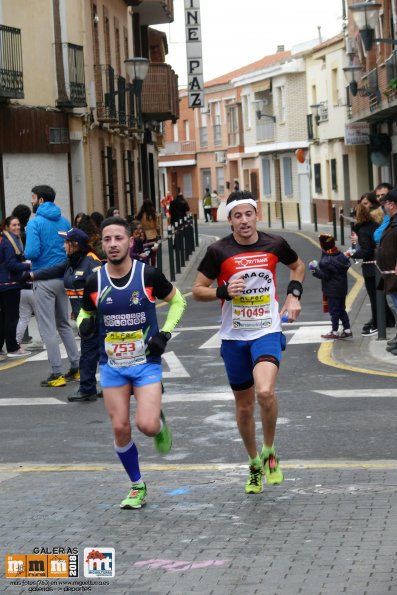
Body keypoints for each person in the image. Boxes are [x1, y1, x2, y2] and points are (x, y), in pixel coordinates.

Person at [192, 191, 305, 495]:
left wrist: (294, 294)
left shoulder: (274, 244)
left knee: (266, 392)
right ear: (229, 220)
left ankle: (269, 452)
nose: (244, 221)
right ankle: (254, 463)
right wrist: (223, 291)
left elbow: (298, 266)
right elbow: (197, 290)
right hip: (233, 338)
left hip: (266, 330)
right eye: (237, 216)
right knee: (244, 408)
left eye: (248, 214)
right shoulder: (218, 251)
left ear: (257, 215)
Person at [77, 216, 187, 508]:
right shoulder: (94, 280)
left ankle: (158, 423)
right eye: (107, 239)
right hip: (111, 365)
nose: (112, 245)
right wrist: (84, 324)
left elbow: (179, 302)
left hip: (146, 362)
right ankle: (137, 485)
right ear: (101, 243)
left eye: (118, 238)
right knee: (120, 427)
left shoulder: (148, 275)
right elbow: (84, 314)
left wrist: (163, 335)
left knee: (147, 426)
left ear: (130, 241)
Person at [27, 228, 103, 402]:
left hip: (97, 318)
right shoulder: (72, 262)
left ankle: (89, 389)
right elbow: (54, 270)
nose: (63, 246)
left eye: (66, 242)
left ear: (74, 245)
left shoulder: (92, 263)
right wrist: (32, 275)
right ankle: (91, 388)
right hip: (84, 318)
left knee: (97, 353)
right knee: (93, 353)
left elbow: (103, 292)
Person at [25, 185, 80, 387]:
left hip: (43, 278)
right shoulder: (64, 221)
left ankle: (56, 373)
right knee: (64, 324)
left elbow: (31, 252)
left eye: (32, 197)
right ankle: (76, 367)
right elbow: (70, 248)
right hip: (62, 277)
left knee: (48, 328)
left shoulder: (34, 223)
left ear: (40, 200)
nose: (31, 201)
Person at [309, 234, 352, 340]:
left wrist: (314, 270)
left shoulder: (326, 261)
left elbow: (325, 276)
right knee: (341, 309)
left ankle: (335, 331)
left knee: (334, 311)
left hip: (332, 290)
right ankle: (347, 330)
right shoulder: (340, 255)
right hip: (342, 288)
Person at [0, 216, 32, 357]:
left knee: (4, 317)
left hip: (4, 283)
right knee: (11, 317)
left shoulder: (8, 240)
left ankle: (2, 348)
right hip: (10, 284)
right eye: (13, 225)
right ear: (7, 227)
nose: (17, 227)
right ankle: (12, 348)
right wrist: (28, 265)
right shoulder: (8, 243)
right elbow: (11, 264)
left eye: (18, 224)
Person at [376, 189, 397, 354]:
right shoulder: (392, 221)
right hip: (390, 275)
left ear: (392, 205)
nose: (385, 207)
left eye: (387, 204)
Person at [136, 199, 161, 266]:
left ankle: (146, 266)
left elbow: (137, 224)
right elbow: (157, 226)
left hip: (144, 235)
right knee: (153, 254)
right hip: (153, 235)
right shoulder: (153, 214)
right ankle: (152, 267)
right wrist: (159, 234)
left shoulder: (140, 215)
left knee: (145, 252)